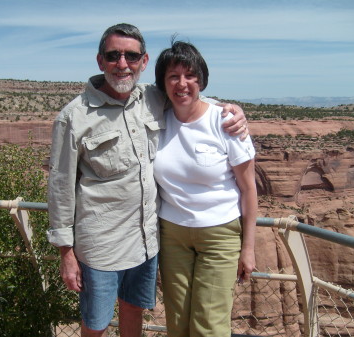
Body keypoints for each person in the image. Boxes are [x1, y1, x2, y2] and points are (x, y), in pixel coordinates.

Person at [46, 23, 249, 337]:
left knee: (133, 314)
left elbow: (188, 93)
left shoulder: (151, 98)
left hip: (146, 242)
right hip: (100, 244)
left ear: (143, 61)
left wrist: (232, 109)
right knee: (96, 323)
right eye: (114, 55)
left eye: (131, 56)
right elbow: (60, 189)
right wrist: (66, 254)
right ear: (100, 61)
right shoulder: (74, 117)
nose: (122, 63)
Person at [153, 39, 257, 337]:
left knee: (208, 325)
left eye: (190, 76)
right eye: (173, 76)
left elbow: (249, 190)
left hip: (220, 235)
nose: (182, 84)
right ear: (163, 82)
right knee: (178, 321)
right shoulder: (157, 120)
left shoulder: (224, 121)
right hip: (172, 234)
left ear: (202, 80)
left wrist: (247, 248)